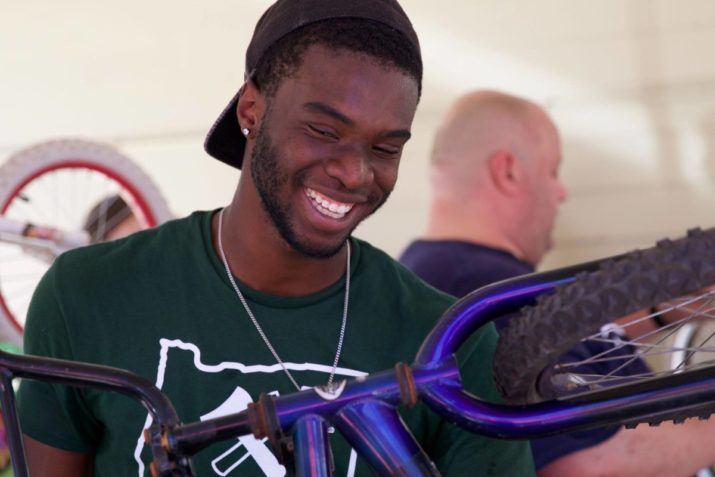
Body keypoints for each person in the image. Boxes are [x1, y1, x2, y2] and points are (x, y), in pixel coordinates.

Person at [16, 3, 535, 476]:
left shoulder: (451, 344)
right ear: (251, 110)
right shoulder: (88, 295)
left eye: (384, 148)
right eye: (324, 131)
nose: (355, 174)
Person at [400, 89, 715, 477]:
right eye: (553, 170)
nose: (561, 192)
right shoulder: (477, 297)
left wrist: (665, 311)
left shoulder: (469, 277)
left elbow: (584, 356)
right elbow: (582, 465)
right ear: (508, 171)